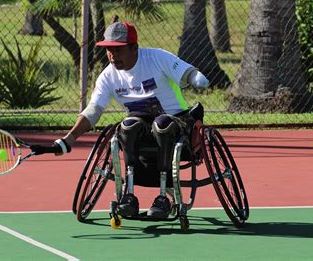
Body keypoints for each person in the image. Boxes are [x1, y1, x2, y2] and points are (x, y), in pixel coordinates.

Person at [42, 21, 209, 218]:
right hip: (142, 127)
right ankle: (129, 196)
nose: (112, 56)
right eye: (109, 50)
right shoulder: (108, 76)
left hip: (177, 123)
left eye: (118, 50)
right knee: (127, 126)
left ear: (134, 48)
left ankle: (164, 197)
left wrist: (196, 78)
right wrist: (68, 140)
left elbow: (186, 71)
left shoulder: (156, 57)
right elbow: (94, 110)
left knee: (162, 124)